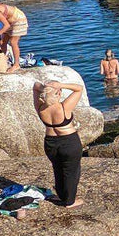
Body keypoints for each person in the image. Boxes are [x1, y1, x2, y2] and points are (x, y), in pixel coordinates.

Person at [33, 80, 84, 208]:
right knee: (71, 172)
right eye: (59, 91)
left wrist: (46, 87)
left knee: (58, 169)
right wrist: (61, 85)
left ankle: (62, 196)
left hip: (50, 143)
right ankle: (69, 201)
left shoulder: (40, 106)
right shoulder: (64, 107)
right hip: (69, 143)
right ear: (58, 93)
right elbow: (79, 88)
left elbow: (35, 86)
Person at [0, 2, 28, 73]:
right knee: (3, 42)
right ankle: (4, 61)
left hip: (18, 19)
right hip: (9, 21)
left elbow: (6, 26)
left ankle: (16, 65)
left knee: (13, 42)